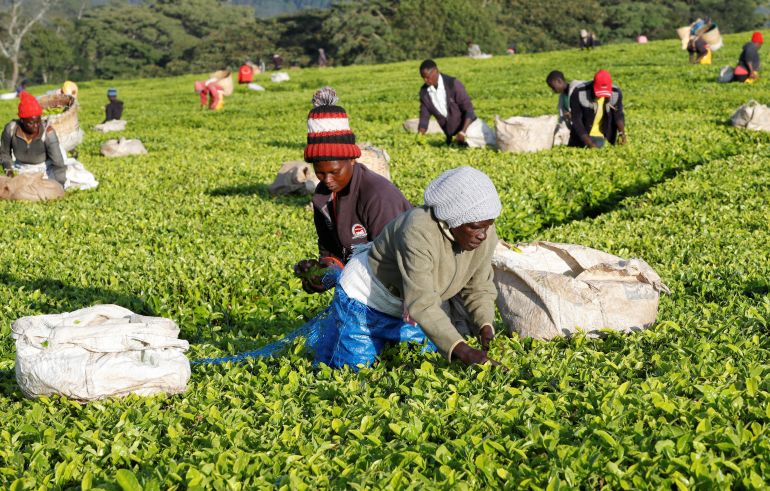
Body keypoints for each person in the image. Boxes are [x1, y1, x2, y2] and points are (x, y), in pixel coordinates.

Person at [309, 166, 502, 369]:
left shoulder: (484, 233)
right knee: (351, 372)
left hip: (407, 305)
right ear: (452, 220)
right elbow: (422, 303)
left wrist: (485, 323)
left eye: (488, 225)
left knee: (419, 365)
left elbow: (479, 284)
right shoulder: (418, 229)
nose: (483, 234)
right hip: (366, 300)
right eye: (475, 227)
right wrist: (464, 351)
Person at [294, 87, 412, 294]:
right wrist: (320, 275)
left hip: (397, 290)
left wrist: (349, 280)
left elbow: (394, 264)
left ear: (352, 159)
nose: (327, 180)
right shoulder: (322, 197)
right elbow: (330, 250)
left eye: (335, 172)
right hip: (360, 286)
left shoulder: (378, 196)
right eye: (320, 173)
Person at [418, 59, 493, 147]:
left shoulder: (453, 84)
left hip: (470, 129)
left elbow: (468, 110)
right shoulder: (425, 93)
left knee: (480, 142)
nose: (425, 80)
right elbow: (424, 116)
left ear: (435, 71)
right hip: (453, 136)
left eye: (427, 77)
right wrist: (420, 135)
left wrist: (463, 132)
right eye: (423, 78)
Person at [0, 91, 66, 178]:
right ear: (22, 120)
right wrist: (9, 171)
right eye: (31, 123)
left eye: (38, 121)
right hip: (20, 169)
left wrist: (60, 184)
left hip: (45, 171)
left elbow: (58, 163)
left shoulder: (48, 133)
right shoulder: (11, 129)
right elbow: (4, 154)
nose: (36, 126)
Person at [569, 69, 626, 148]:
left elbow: (618, 115)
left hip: (601, 136)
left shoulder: (615, 92)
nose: (601, 96)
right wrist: (589, 143)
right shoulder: (579, 92)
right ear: (593, 85)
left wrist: (622, 134)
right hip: (582, 136)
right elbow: (576, 120)